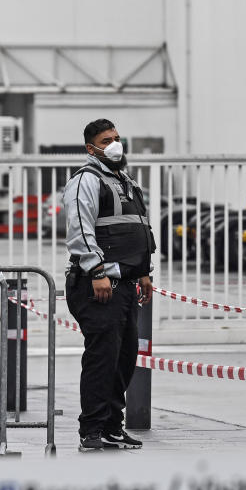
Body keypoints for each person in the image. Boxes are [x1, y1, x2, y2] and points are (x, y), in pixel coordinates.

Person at [64, 118, 156, 452]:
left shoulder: (126, 182)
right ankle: (92, 430)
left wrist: (144, 272)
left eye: (117, 138)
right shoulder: (85, 181)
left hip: (126, 283)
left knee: (124, 357)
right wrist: (97, 271)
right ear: (91, 148)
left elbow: (139, 229)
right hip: (98, 284)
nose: (115, 144)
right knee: (103, 358)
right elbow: (81, 230)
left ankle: (112, 428)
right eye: (107, 140)